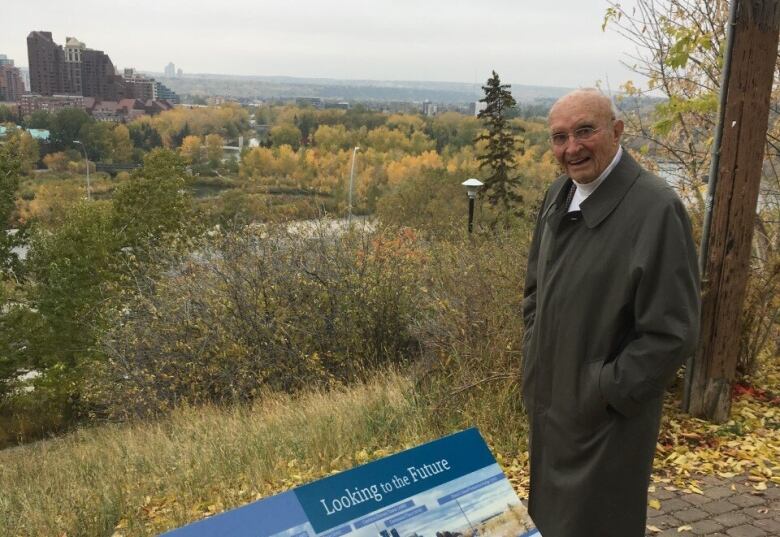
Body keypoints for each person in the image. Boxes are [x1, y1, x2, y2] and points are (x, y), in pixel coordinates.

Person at [521, 88, 700, 537]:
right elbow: (534, 293)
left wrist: (602, 388)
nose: (572, 148)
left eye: (585, 131)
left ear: (617, 131)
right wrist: (534, 353)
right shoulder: (559, 195)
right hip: (552, 405)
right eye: (559, 137)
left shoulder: (655, 208)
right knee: (551, 521)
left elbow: (672, 332)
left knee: (599, 523)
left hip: (607, 419)